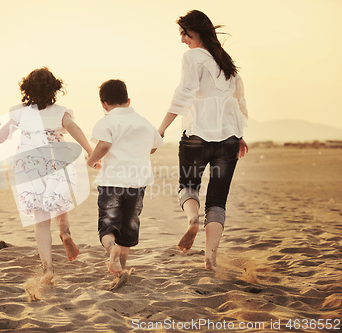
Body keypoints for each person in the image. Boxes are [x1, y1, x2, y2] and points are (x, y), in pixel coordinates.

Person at [156, 10, 249, 271]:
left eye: (185, 34)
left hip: (196, 137)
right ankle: (210, 259)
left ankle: (191, 220)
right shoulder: (226, 62)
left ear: (197, 31)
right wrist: (239, 135)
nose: (183, 40)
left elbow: (183, 93)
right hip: (228, 141)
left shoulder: (193, 57)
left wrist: (162, 128)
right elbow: (237, 101)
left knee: (188, 186)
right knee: (218, 200)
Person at [0, 67, 94, 284]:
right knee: (59, 200)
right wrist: (91, 152)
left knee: (41, 221)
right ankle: (65, 233)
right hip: (56, 158)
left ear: (26, 89)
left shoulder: (19, 112)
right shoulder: (61, 112)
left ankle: (48, 269)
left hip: (29, 164)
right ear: (55, 89)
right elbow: (74, 129)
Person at [87, 79, 164, 288]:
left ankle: (111, 248)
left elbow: (104, 145)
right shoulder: (144, 122)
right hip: (137, 184)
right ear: (128, 101)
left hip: (112, 183)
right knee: (129, 228)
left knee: (108, 225)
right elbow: (154, 146)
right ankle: (120, 269)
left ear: (103, 104)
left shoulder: (106, 121)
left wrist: (91, 160)